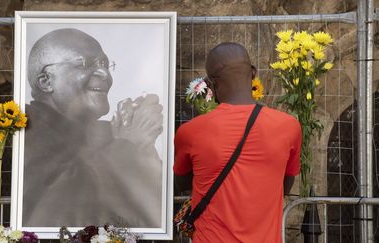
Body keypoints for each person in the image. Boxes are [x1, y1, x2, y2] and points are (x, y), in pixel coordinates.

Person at [23, 28, 163, 227]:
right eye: (84, 64)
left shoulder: (106, 132)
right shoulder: (28, 127)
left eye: (105, 64)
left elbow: (149, 203)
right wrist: (130, 144)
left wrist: (144, 145)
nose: (104, 73)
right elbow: (59, 204)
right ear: (46, 81)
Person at [173, 42, 302, 243]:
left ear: (211, 84)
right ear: (253, 73)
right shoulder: (289, 127)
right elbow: (285, 185)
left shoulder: (190, 132)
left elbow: (181, 182)